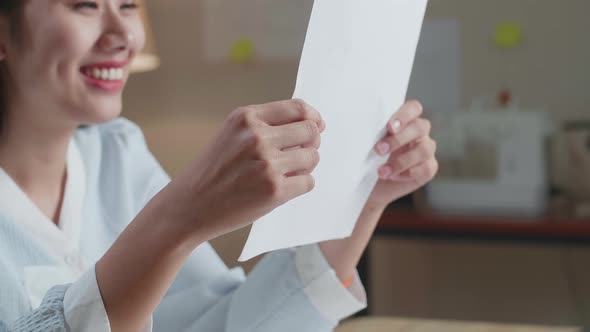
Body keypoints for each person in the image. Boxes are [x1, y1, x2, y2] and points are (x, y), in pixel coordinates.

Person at [0, 1, 438, 331]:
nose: (123, 35)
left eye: (128, 4)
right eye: (85, 4)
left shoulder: (116, 152)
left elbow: (228, 322)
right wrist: (179, 217)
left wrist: (366, 193)